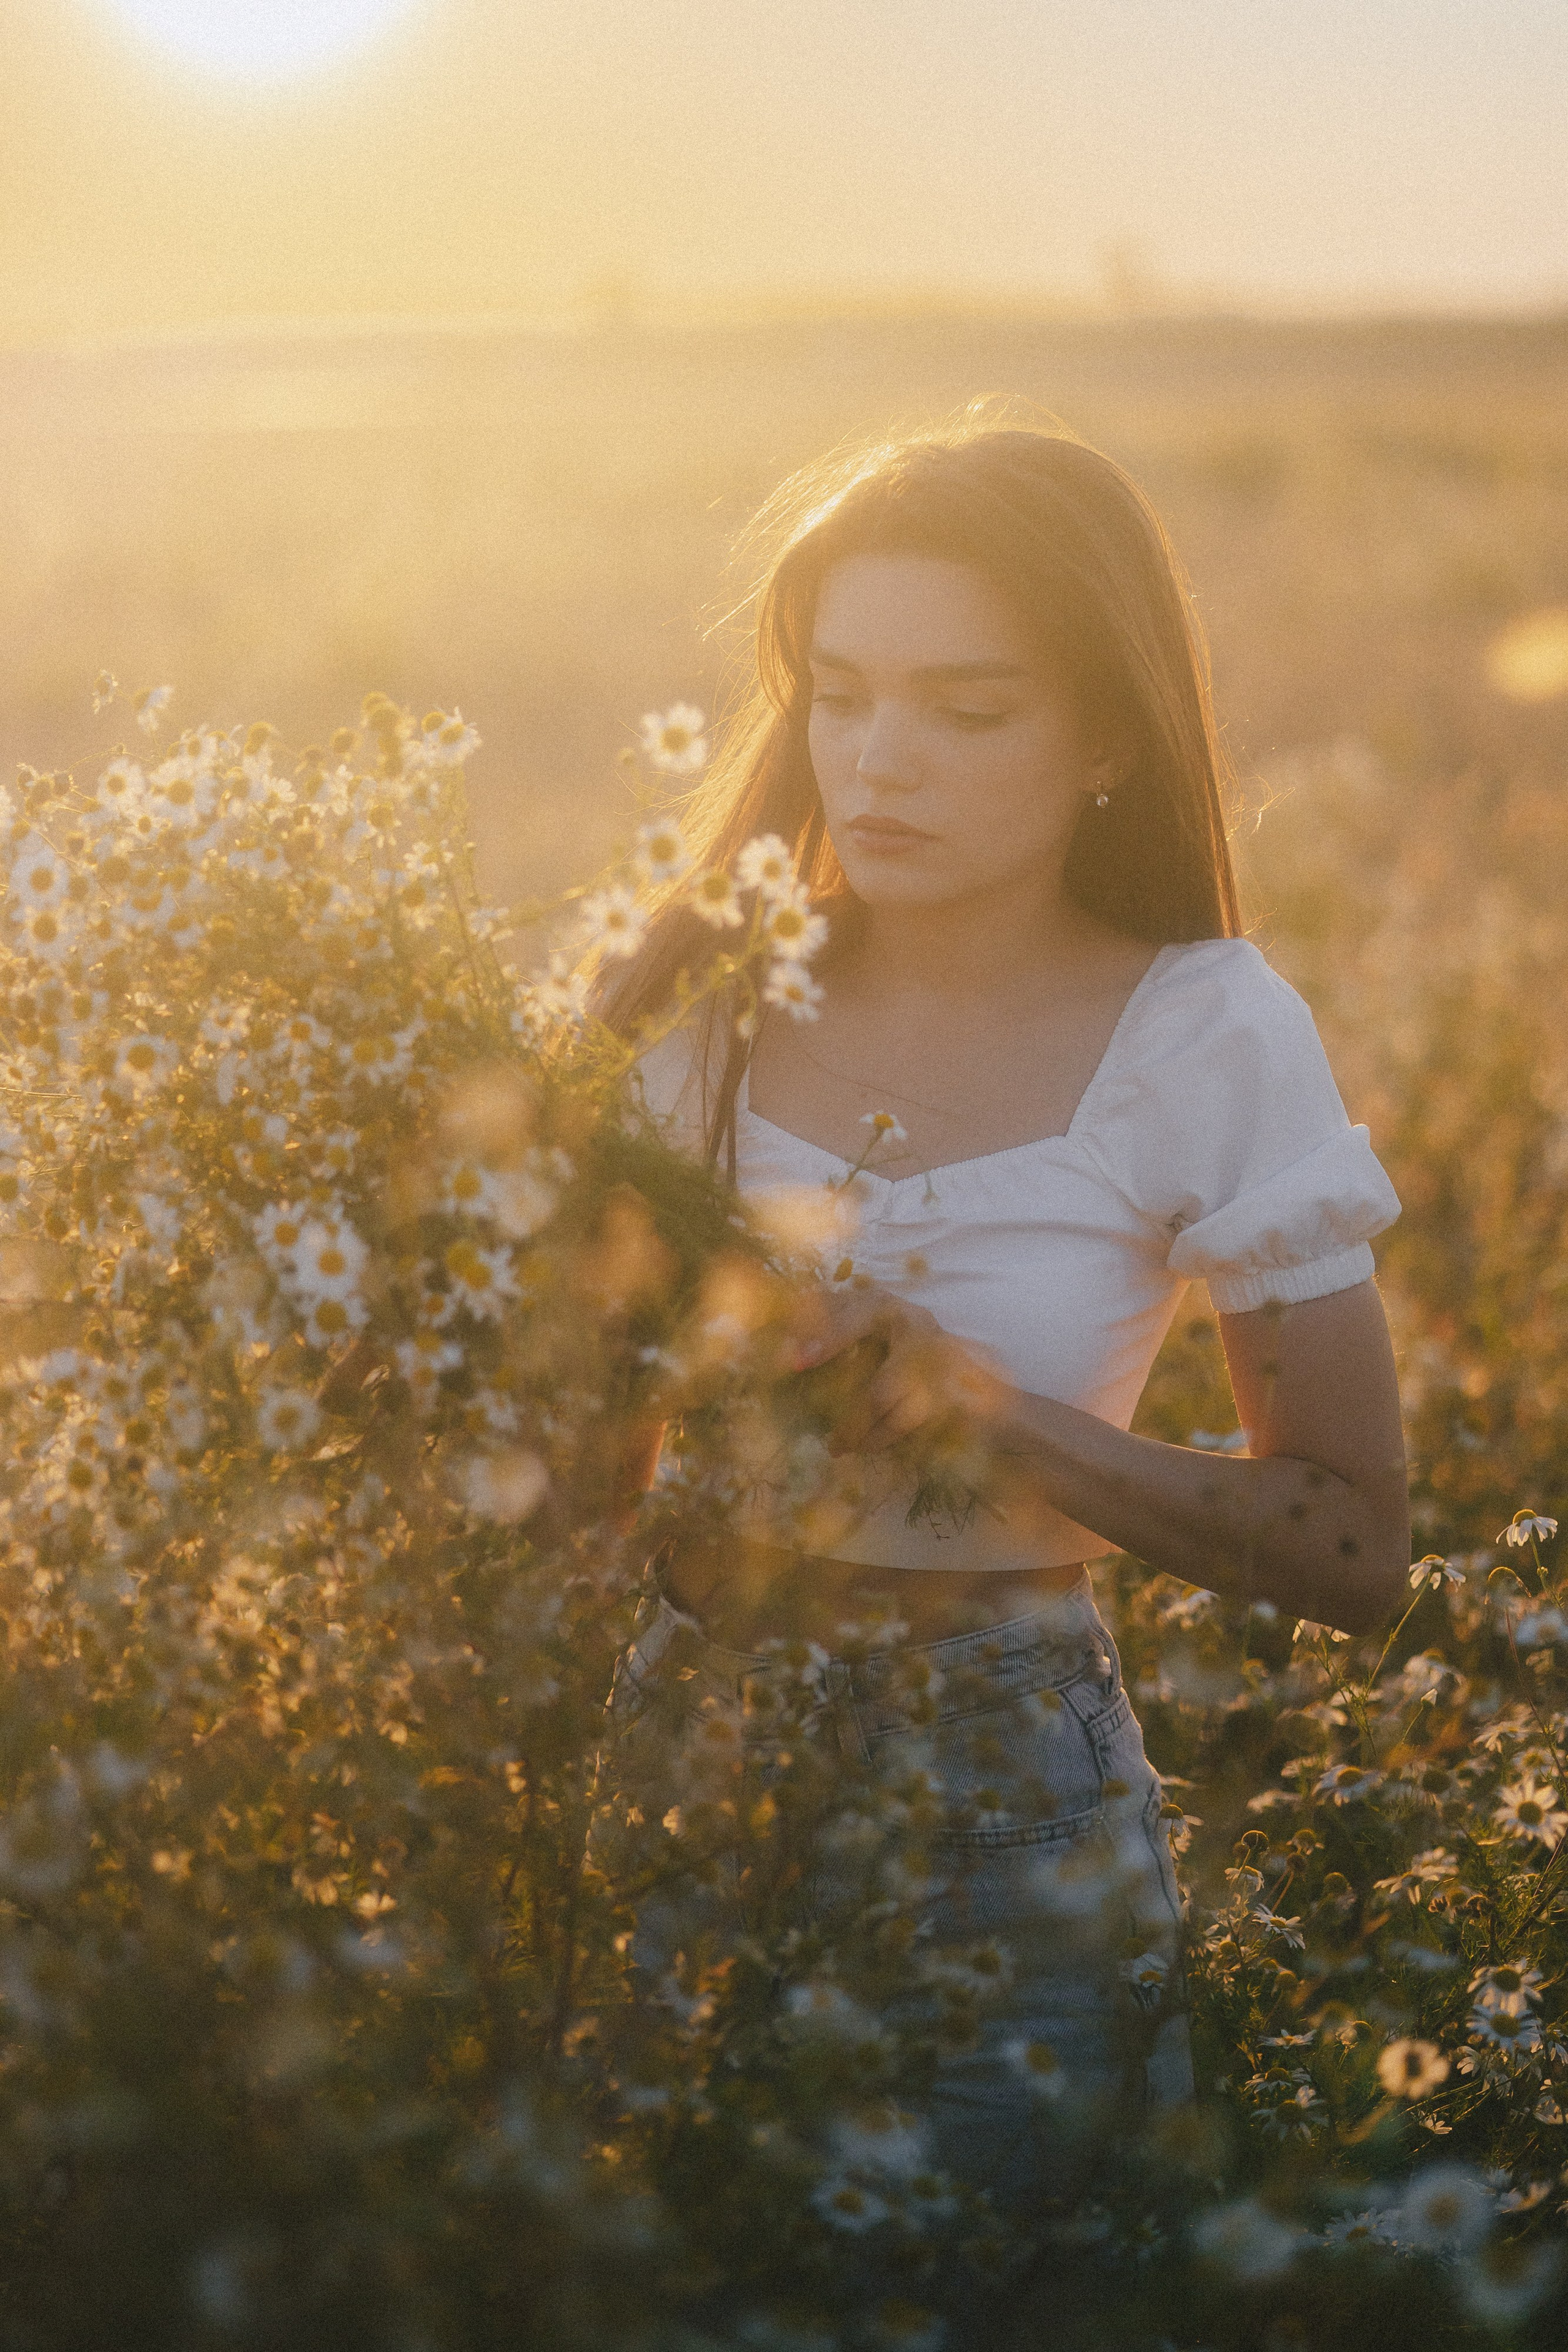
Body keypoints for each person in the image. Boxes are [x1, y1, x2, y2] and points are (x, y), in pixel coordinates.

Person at [592, 414, 1408, 2206]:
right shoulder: (697, 994)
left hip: (1010, 1799)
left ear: (1107, 734)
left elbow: (1354, 1546)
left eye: (970, 712)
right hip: (676, 1749)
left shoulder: (1206, 1028)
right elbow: (567, 1491)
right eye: (842, 693)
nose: (883, 763)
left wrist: (986, 1417)